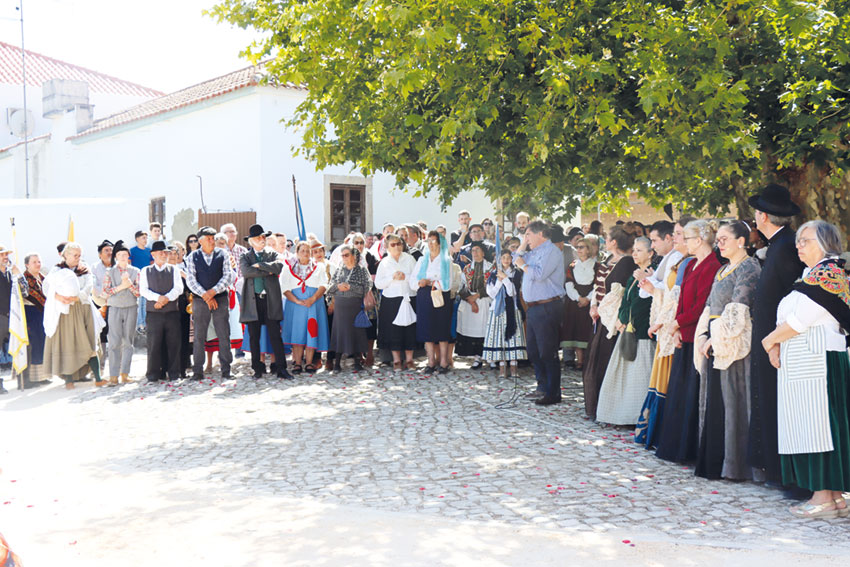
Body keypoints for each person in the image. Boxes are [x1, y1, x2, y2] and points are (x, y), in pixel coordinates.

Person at [760, 220, 850, 518]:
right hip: (806, 363)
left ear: (826, 243)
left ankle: (823, 497)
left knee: (820, 429)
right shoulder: (811, 275)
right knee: (816, 427)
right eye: (798, 241)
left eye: (807, 241)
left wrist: (769, 341)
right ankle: (834, 498)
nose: (799, 246)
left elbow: (800, 321)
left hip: (818, 364)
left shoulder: (828, 274)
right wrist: (776, 344)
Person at [747, 184, 807, 491]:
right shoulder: (777, 244)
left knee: (777, 402)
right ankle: (773, 469)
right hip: (770, 337)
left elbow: (791, 296)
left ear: (763, 216)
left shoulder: (784, 247)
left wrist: (777, 340)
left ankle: (784, 474)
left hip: (778, 340)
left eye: (757, 212)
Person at [694, 221, 761, 480]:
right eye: (718, 239)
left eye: (724, 239)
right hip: (714, 338)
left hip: (734, 343)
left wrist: (715, 338)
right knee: (715, 400)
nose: (719, 244)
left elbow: (739, 309)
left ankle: (736, 466)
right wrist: (703, 335)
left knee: (734, 400)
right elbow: (710, 305)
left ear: (741, 241)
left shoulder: (749, 267)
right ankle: (715, 459)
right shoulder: (722, 269)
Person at [655, 220, 722, 463]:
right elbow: (683, 298)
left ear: (700, 239)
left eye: (687, 238)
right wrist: (676, 327)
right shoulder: (692, 264)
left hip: (697, 334)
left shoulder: (713, 265)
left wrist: (677, 324)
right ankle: (675, 447)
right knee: (679, 391)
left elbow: (702, 303)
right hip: (684, 332)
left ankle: (690, 449)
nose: (682, 242)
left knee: (693, 393)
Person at [635, 216, 694, 449]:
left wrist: (651, 286)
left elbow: (673, 294)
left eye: (681, 234)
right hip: (664, 321)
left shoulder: (680, 258)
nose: (654, 245)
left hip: (673, 324)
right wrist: (650, 285)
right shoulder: (670, 258)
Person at [596, 237, 656, 424]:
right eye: (634, 250)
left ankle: (637, 417)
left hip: (644, 334)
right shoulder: (633, 275)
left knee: (640, 377)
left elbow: (647, 303)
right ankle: (620, 415)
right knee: (624, 377)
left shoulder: (654, 276)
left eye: (639, 250)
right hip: (628, 332)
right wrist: (621, 320)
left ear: (650, 253)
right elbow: (626, 301)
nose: (635, 254)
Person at [582, 226, 637, 417]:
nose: (605, 241)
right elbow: (598, 287)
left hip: (613, 320)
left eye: (607, 238)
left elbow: (618, 293)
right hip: (600, 318)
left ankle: (608, 408)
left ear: (614, 242)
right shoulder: (607, 260)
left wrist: (602, 309)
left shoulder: (627, 262)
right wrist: (593, 305)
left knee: (606, 361)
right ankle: (594, 406)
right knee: (594, 362)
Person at [514, 220, 566, 405]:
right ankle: (541, 386)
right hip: (534, 307)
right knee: (534, 350)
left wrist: (523, 265)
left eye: (528, 235)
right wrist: (521, 247)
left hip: (548, 306)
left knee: (547, 350)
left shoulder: (551, 251)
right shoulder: (534, 251)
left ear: (540, 234)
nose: (526, 238)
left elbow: (539, 274)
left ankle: (553, 392)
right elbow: (515, 259)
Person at [42, 243, 105, 389]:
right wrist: (58, 296)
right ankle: (68, 380)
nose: (78, 258)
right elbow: (47, 287)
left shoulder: (84, 269)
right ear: (66, 255)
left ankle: (98, 378)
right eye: (75, 255)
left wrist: (75, 298)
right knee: (67, 343)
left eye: (79, 255)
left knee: (89, 342)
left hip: (82, 308)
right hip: (65, 311)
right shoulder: (56, 270)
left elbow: (88, 287)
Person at [239, 224, 293, 380]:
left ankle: (281, 369)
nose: (261, 240)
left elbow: (278, 267)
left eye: (263, 237)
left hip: (270, 299)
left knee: (275, 335)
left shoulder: (272, 254)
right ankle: (257, 369)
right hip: (253, 300)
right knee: (254, 336)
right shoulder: (245, 257)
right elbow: (246, 272)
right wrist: (266, 270)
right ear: (251, 242)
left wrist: (260, 266)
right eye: (258, 238)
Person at [185, 226, 235, 379]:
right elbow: (191, 280)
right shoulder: (192, 257)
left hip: (220, 298)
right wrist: (205, 295)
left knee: (223, 333)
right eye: (209, 238)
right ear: (200, 241)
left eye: (213, 238)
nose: (212, 241)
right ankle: (198, 371)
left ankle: (226, 369)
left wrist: (212, 292)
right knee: (199, 335)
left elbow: (228, 276)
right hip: (200, 300)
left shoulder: (223, 254)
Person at [281, 241, 329, 373]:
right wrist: (296, 300)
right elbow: (284, 287)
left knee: (311, 331)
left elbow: (324, 284)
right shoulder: (288, 268)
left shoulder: (319, 267)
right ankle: (297, 362)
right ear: (296, 253)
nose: (306, 254)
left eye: (308, 251)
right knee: (297, 332)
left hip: (313, 304)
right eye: (302, 251)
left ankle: (309, 362)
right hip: (295, 305)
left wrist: (313, 298)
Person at [139, 240, 183, 382]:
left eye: (165, 252)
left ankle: (174, 373)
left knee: (173, 343)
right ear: (153, 254)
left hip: (171, 312)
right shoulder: (146, 270)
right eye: (160, 252)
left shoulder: (174, 269)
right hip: (154, 313)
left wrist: (166, 299)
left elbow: (178, 289)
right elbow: (143, 290)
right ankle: (153, 374)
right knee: (154, 344)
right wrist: (158, 298)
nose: (164, 255)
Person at [411, 231, 454, 373]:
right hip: (424, 296)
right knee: (426, 329)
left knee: (441, 329)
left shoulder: (447, 261)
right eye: (428, 241)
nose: (430, 244)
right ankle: (430, 362)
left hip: (440, 296)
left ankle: (443, 362)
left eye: (434, 241)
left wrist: (430, 280)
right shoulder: (422, 260)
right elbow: (412, 282)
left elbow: (448, 283)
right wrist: (420, 282)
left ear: (440, 243)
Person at [375, 234, 418, 372]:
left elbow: (417, 278)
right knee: (394, 331)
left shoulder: (410, 259)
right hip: (391, 300)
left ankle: (410, 360)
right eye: (393, 244)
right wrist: (391, 277)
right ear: (387, 247)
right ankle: (397, 360)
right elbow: (378, 284)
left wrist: (405, 277)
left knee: (410, 330)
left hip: (408, 298)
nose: (397, 247)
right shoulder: (384, 262)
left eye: (399, 243)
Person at [327, 244, 372, 372]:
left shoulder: (361, 270)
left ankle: (357, 361)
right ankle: (337, 363)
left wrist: (351, 288)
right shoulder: (339, 270)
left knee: (356, 332)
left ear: (353, 255)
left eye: (347, 255)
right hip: (341, 306)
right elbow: (330, 288)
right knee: (339, 333)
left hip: (354, 305)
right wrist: (339, 287)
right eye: (342, 255)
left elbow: (366, 288)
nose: (344, 258)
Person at [482, 249, 527, 376]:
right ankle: (502, 367)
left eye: (508, 257)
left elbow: (512, 292)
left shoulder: (516, 273)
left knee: (513, 337)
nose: (506, 260)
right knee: (500, 337)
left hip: (512, 308)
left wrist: (506, 279)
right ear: (498, 260)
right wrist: (499, 281)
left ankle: (514, 367)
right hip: (498, 309)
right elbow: (491, 293)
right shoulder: (493, 274)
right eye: (503, 257)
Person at [102, 240, 140, 386]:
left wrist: (129, 284)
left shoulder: (135, 271)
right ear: (116, 257)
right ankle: (113, 375)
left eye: (125, 254)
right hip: (115, 308)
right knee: (114, 341)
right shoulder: (109, 272)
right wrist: (120, 287)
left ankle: (125, 373)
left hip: (131, 307)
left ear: (128, 256)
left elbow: (138, 293)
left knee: (128, 341)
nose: (123, 257)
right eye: (120, 254)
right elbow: (105, 292)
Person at [560, 235, 599, 370]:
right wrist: (578, 298)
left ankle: (588, 361)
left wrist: (588, 299)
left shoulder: (596, 266)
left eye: (582, 247)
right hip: (574, 303)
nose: (579, 250)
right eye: (577, 247)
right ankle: (579, 361)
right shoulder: (572, 266)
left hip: (590, 302)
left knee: (587, 331)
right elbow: (569, 284)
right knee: (575, 330)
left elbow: (598, 285)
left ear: (588, 249)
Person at [455, 242, 493, 368]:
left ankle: (490, 357)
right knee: (474, 332)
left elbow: (492, 286)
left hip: (484, 301)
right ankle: (477, 358)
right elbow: (461, 286)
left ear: (483, 252)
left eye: (478, 250)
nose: (475, 253)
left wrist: (476, 296)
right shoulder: (466, 269)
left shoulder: (491, 268)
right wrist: (471, 300)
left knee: (485, 330)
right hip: (469, 303)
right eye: (473, 251)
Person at [17, 253, 50, 389]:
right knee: (34, 343)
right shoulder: (24, 279)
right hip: (30, 314)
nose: (38, 264)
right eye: (34, 262)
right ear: (27, 265)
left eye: (39, 261)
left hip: (41, 313)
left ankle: (42, 377)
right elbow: (27, 295)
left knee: (42, 342)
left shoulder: (42, 278)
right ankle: (30, 379)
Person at [129, 230, 152, 334]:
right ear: (137, 239)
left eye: (146, 238)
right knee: (139, 302)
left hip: (147, 279)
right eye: (143, 238)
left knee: (145, 302)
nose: (145, 240)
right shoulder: (132, 251)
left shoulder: (149, 251)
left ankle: (144, 324)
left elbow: (152, 264)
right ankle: (139, 324)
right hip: (136, 280)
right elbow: (129, 265)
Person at [0, 246, 16, 394]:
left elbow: (23, 291)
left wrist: (17, 274)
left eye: (6, 254)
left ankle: (19, 377)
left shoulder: (11, 275)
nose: (5, 257)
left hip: (12, 316)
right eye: (2, 255)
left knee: (13, 347)